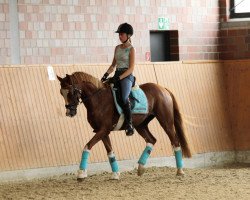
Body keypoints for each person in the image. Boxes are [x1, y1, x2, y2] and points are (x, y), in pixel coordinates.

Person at [101, 23, 135, 136]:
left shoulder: (131, 49)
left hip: (127, 76)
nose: (119, 36)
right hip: (117, 74)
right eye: (119, 35)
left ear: (128, 35)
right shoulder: (117, 48)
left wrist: (119, 78)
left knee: (124, 97)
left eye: (121, 34)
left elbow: (131, 68)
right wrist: (106, 75)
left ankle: (129, 124)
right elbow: (113, 65)